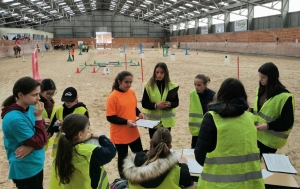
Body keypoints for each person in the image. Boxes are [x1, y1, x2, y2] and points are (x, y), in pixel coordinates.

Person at [194, 78, 264, 189]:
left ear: (221, 94)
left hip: (217, 184)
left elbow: (199, 155)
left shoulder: (212, 117)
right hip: (249, 184)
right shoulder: (250, 118)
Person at [1, 76, 47, 189]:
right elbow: (40, 141)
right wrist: (39, 119)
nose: (38, 98)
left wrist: (31, 146)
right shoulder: (14, 119)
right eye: (34, 94)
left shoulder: (30, 108)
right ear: (20, 95)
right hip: (25, 169)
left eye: (39, 93)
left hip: (35, 163)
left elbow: (42, 137)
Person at [49, 114, 116, 189]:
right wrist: (101, 137)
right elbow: (111, 151)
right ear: (80, 134)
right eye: (87, 128)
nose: (89, 130)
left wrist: (80, 139)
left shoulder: (60, 153)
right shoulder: (90, 152)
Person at [123, 128, 192, 189]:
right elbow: (187, 181)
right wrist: (184, 164)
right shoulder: (175, 168)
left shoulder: (134, 163)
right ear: (170, 147)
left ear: (150, 142)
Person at [106, 71, 145, 178]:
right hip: (120, 135)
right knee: (123, 158)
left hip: (133, 132)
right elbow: (110, 117)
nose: (128, 85)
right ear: (119, 81)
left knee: (139, 155)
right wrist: (125, 121)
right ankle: (123, 179)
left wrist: (139, 113)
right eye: (126, 82)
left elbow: (133, 107)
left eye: (130, 82)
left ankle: (140, 174)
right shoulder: (113, 96)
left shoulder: (131, 92)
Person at [254, 62, 294, 156]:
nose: (260, 79)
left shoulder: (285, 97)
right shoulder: (259, 90)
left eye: (264, 77)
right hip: (256, 136)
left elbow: (287, 122)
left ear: (272, 77)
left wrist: (268, 126)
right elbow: (260, 111)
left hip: (270, 141)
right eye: (259, 76)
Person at [48, 87, 89, 157]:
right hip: (60, 144)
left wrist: (64, 128)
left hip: (76, 144)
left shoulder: (82, 110)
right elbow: (53, 127)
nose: (68, 103)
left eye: (70, 101)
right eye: (66, 101)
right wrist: (56, 125)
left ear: (76, 99)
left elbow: (86, 129)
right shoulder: (60, 110)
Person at [142, 62, 179, 139]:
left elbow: (176, 102)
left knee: (165, 145)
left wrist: (169, 104)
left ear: (166, 73)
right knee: (154, 145)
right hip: (153, 123)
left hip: (167, 122)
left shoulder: (172, 86)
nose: (159, 75)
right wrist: (156, 105)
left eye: (162, 72)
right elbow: (144, 103)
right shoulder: (149, 86)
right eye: (157, 72)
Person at [189, 74, 216, 149]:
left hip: (208, 129)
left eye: (199, 85)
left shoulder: (213, 95)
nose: (196, 87)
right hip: (196, 130)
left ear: (205, 84)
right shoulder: (193, 94)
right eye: (195, 85)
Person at [39, 79, 57, 151]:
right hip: (36, 137)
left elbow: (52, 119)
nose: (50, 96)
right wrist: (42, 122)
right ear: (41, 91)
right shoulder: (34, 103)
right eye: (48, 93)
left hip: (45, 138)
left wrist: (50, 132)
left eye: (53, 93)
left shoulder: (51, 102)